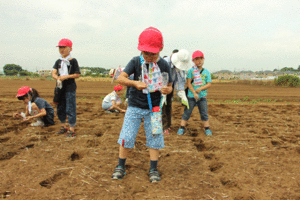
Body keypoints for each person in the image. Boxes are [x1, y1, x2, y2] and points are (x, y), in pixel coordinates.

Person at [111, 27, 173, 183]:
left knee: (155, 138)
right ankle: (120, 166)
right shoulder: (135, 62)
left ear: (161, 49)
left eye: (153, 53)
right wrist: (134, 83)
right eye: (146, 53)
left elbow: (170, 84)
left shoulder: (164, 65)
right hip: (134, 107)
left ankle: (153, 169)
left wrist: (167, 89)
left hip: (155, 109)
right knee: (126, 136)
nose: (150, 57)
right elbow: (121, 78)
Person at [177, 50, 212, 136]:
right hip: (191, 96)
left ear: (203, 59)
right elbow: (188, 83)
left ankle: (207, 128)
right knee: (187, 112)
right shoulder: (191, 71)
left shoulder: (207, 72)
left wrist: (201, 89)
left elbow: (209, 84)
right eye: (196, 59)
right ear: (193, 61)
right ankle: (181, 127)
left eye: (200, 59)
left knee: (204, 113)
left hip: (202, 97)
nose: (199, 61)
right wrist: (194, 92)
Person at [52, 38, 81, 137]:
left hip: (70, 87)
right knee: (60, 107)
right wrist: (57, 78)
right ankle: (63, 126)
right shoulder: (58, 61)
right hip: (60, 88)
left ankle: (72, 129)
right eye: (60, 47)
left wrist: (66, 77)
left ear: (70, 48)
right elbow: (54, 72)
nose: (61, 49)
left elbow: (77, 74)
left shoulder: (73, 61)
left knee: (70, 108)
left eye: (64, 47)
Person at [163, 49, 191, 132]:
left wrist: (182, 95)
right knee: (161, 106)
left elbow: (179, 81)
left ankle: (168, 125)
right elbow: (160, 79)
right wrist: (163, 92)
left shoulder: (180, 67)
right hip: (160, 87)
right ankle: (163, 127)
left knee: (168, 105)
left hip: (170, 87)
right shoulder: (164, 63)